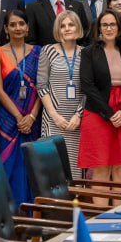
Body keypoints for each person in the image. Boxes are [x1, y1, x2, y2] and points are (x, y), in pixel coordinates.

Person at [78, 10, 121, 186]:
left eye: (112, 24)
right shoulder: (89, 52)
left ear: (119, 27)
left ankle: (120, 213)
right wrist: (109, 113)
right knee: (101, 167)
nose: (109, 28)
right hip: (98, 112)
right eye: (105, 25)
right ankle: (101, 213)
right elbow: (87, 85)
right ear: (99, 28)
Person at [0, 9, 41, 202]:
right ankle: (10, 216)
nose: (17, 28)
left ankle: (33, 216)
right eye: (12, 24)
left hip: (33, 121)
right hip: (8, 121)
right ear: (6, 29)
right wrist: (20, 118)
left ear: (27, 27)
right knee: (9, 166)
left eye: (21, 23)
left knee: (31, 167)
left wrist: (32, 117)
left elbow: (42, 89)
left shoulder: (38, 52)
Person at [36, 10, 86, 176]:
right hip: (53, 121)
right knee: (54, 172)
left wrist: (78, 115)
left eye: (71, 25)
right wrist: (54, 115)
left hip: (77, 122)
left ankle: (75, 202)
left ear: (78, 28)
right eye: (62, 26)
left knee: (76, 172)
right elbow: (42, 85)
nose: (67, 29)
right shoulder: (48, 51)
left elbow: (89, 89)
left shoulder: (86, 53)